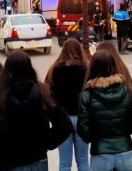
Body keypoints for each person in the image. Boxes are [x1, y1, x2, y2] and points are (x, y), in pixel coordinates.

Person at [0, 51, 72, 170]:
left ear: (6, 71)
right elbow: (64, 125)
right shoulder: (43, 92)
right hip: (38, 159)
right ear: (30, 68)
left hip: (10, 162)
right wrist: (47, 142)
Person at [77, 50, 132, 171]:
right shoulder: (128, 91)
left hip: (100, 154)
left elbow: (83, 132)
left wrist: (97, 136)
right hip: (125, 151)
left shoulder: (87, 96)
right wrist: (121, 132)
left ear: (92, 67)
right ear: (114, 66)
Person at [45, 38, 90, 171]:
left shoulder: (54, 69)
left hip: (62, 120)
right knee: (83, 161)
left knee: (64, 163)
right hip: (82, 118)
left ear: (63, 51)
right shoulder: (86, 68)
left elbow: (48, 95)